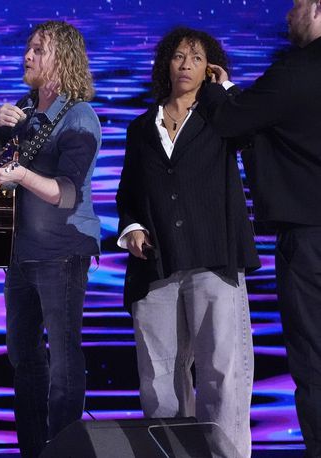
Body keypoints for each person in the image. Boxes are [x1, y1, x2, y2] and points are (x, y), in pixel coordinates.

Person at [116, 27, 260, 458]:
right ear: (166, 64)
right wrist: (132, 229)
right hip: (156, 266)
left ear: (209, 68)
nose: (185, 65)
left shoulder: (221, 117)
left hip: (214, 258)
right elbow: (127, 195)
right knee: (159, 378)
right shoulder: (141, 127)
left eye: (196, 58)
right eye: (178, 57)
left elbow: (251, 131)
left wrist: (226, 90)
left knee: (222, 374)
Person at [0, 21, 101, 458]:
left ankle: (66, 449)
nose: (27, 56)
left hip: (61, 253)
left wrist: (20, 175)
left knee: (64, 358)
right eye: (28, 48)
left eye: (39, 50)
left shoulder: (80, 116)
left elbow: (66, 192)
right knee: (23, 358)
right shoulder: (23, 111)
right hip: (18, 251)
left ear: (62, 60)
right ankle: (33, 450)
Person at [199, 1, 321, 454]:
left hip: (309, 238)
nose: (288, 14)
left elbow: (235, 119)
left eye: (295, 4)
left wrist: (216, 92)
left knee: (314, 364)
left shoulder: (297, 69)